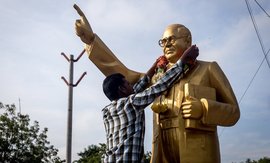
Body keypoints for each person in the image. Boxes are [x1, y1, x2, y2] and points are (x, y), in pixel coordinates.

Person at [74, 4, 240, 163]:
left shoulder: (208, 69)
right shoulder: (156, 78)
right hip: (163, 154)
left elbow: (233, 112)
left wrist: (203, 108)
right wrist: (90, 41)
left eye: (171, 39)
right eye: (163, 41)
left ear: (188, 41)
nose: (166, 45)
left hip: (198, 152)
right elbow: (122, 74)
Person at [101, 45, 198, 162]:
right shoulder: (131, 103)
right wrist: (182, 61)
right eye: (127, 84)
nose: (131, 86)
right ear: (121, 89)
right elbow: (159, 87)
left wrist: (153, 68)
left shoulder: (108, 111)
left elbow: (136, 90)